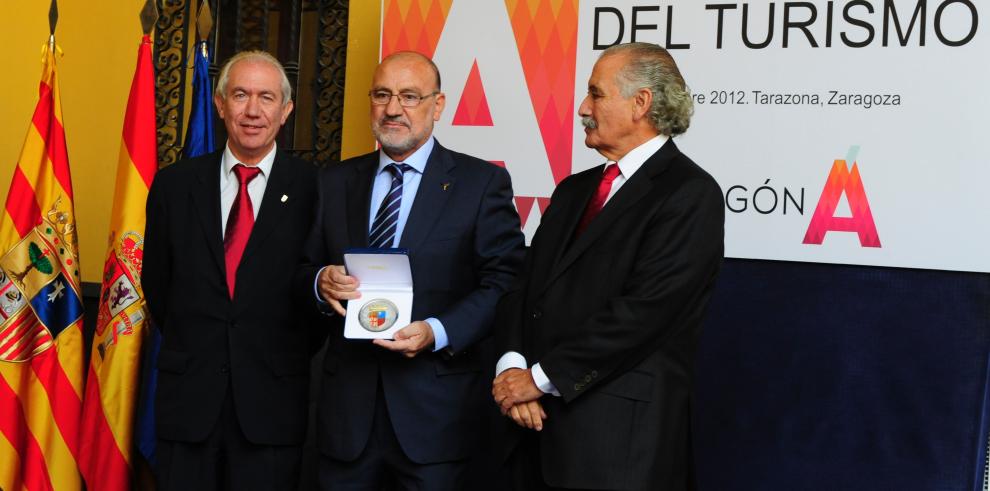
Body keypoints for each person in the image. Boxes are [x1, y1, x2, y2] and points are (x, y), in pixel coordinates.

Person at [492, 42, 725, 490]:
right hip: (531, 430)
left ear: (641, 103)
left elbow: (645, 312)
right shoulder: (573, 190)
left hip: (617, 444)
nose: (583, 107)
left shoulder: (689, 194)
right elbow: (525, 288)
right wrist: (511, 367)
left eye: (596, 94)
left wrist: (538, 380)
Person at [296, 51, 525, 490]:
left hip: (436, 422)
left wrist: (437, 331)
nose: (393, 109)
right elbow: (301, 271)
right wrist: (318, 282)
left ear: (437, 106)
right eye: (382, 95)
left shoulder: (480, 184)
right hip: (347, 421)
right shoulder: (334, 182)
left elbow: (505, 282)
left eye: (409, 96)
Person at [143, 50, 319, 490]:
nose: (253, 111)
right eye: (240, 95)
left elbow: (315, 293)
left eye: (266, 97)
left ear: (286, 110)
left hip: (272, 405)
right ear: (220, 105)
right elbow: (159, 286)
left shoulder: (315, 189)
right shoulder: (174, 185)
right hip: (189, 402)